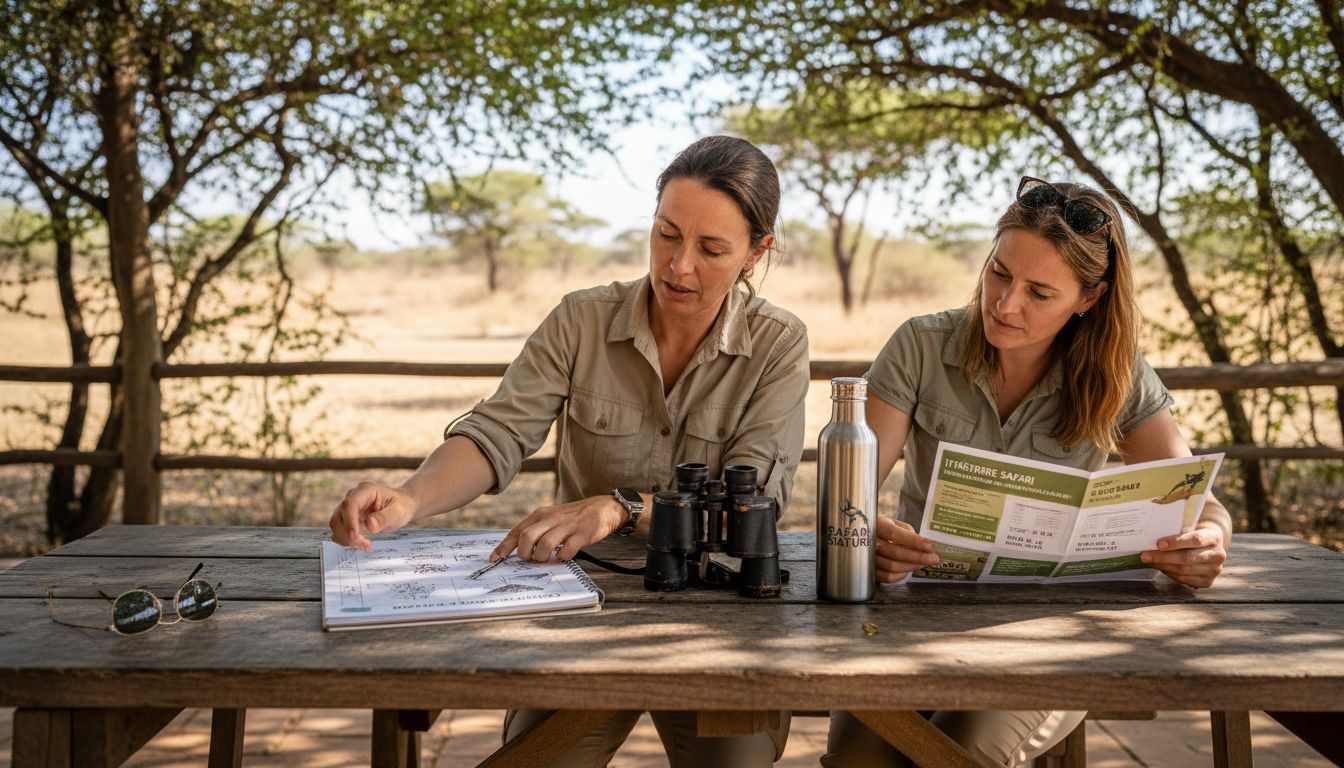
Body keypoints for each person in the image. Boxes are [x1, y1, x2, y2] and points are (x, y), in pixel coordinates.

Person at [329, 135, 808, 767]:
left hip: (719, 610)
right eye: (666, 234)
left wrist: (621, 507)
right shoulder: (580, 320)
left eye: (711, 249)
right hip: (583, 595)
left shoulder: (778, 345)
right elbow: (498, 432)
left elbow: (758, 506)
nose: (678, 265)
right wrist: (410, 497)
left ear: (756, 252)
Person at [822, 176, 1233, 768]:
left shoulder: (1118, 373)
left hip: (1058, 632)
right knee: (859, 758)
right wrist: (873, 542)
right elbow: (849, 503)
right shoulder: (919, 345)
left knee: (962, 750)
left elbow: (1202, 504)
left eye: (1039, 293)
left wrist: (1209, 542)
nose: (1005, 303)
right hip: (917, 614)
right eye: (999, 273)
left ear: (1088, 299)